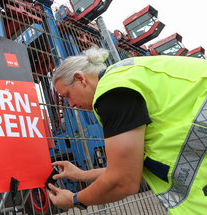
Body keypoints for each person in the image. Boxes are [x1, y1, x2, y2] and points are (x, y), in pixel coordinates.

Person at [47, 47, 207, 214]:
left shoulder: (112, 91)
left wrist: (74, 200)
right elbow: (131, 167)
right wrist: (83, 175)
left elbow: (124, 180)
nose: (71, 105)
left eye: (67, 95)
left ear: (80, 79)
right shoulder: (125, 75)